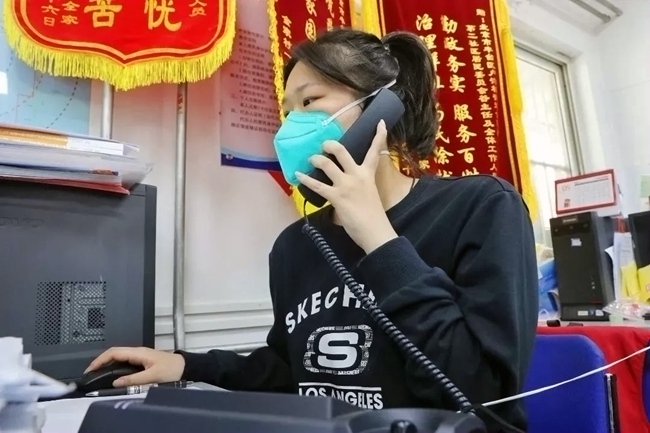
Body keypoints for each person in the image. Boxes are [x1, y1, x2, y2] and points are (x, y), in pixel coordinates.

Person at [86, 28, 538, 432]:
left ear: (382, 107)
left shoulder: (480, 207)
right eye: (286, 112)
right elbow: (292, 370)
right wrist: (186, 365)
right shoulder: (296, 245)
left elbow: (480, 394)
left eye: (309, 102)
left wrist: (378, 237)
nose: (290, 126)